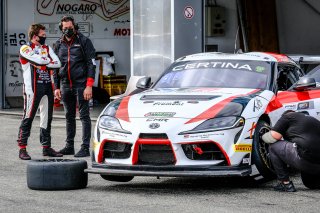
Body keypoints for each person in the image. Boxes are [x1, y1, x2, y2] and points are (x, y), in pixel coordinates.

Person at [17, 24, 63, 160]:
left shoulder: (46, 48)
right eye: (42, 35)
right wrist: (46, 61)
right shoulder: (25, 48)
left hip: (47, 87)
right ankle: (22, 148)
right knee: (28, 117)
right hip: (32, 89)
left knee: (46, 119)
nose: (45, 37)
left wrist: (43, 63)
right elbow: (37, 60)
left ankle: (46, 147)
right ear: (35, 36)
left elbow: (57, 63)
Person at [53, 16, 96, 157]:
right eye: (65, 28)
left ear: (75, 27)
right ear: (61, 28)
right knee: (68, 117)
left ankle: (85, 147)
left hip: (81, 85)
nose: (67, 30)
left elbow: (91, 64)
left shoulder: (84, 41)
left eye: (70, 28)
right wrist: (56, 87)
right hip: (65, 85)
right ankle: (69, 146)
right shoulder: (58, 44)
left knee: (84, 116)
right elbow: (55, 67)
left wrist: (89, 85)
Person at [262, 110, 320, 192]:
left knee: (273, 146)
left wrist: (261, 137)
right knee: (309, 183)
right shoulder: (314, 120)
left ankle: (286, 184)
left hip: (305, 158)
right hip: (317, 165)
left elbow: (274, 136)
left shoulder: (288, 116)